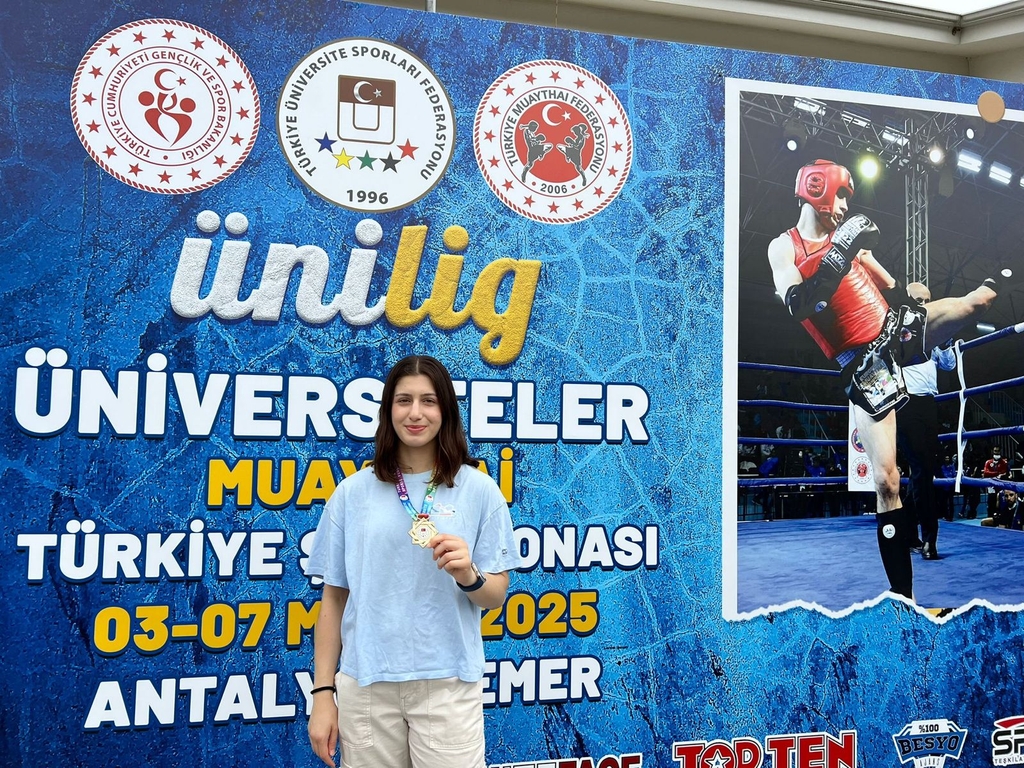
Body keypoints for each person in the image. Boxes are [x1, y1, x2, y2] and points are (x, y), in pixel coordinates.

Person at [767, 159, 1001, 599]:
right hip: (864, 363)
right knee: (887, 482)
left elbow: (891, 287)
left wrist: (868, 261)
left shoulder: (849, 239)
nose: (843, 207)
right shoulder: (784, 247)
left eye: (846, 199)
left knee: (980, 301)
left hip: (896, 328)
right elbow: (799, 304)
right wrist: (839, 253)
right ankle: (903, 598)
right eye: (839, 195)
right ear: (816, 188)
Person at [305, 355, 522, 768]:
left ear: (446, 411)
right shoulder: (352, 493)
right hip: (366, 687)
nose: (416, 413)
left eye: (429, 401)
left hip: (447, 684)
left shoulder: (479, 490)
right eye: (404, 400)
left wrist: (469, 575)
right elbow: (333, 601)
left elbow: (495, 597)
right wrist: (322, 694)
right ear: (388, 410)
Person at [896, 282, 958, 561]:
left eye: (927, 300)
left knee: (922, 473)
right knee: (921, 471)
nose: (924, 305)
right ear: (907, 302)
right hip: (905, 404)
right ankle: (929, 540)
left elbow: (949, 365)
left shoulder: (932, 332)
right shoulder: (898, 331)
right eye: (919, 300)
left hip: (929, 406)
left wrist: (944, 339)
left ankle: (909, 535)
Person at [983, 445, 1010, 517]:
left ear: (1000, 451)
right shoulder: (988, 462)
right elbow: (986, 473)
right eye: (995, 451)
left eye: (998, 451)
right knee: (991, 504)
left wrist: (993, 474)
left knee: (1001, 504)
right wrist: (997, 473)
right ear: (992, 451)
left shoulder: (1004, 462)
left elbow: (1004, 472)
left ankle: (1001, 519)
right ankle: (990, 518)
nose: (996, 452)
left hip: (1000, 486)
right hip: (991, 486)